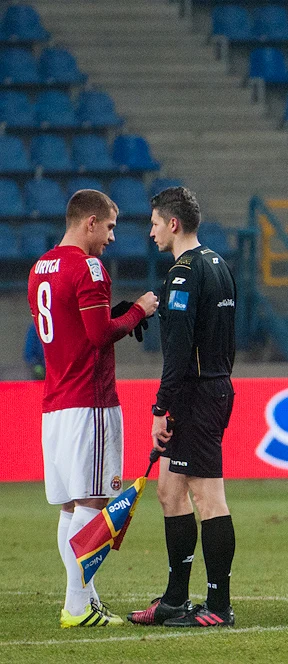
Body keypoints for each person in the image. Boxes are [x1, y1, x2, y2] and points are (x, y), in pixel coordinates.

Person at [27, 189, 158, 628]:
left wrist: (111, 314)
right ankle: (77, 605)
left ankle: (86, 600)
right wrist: (138, 311)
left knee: (70, 507)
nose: (112, 237)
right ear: (90, 222)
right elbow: (100, 335)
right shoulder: (88, 266)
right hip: (91, 402)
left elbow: (75, 327)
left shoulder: (39, 268)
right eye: (110, 227)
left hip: (55, 402)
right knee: (93, 504)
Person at [128, 186, 238, 628]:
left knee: (207, 497)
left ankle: (218, 605)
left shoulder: (183, 274)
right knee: (170, 492)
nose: (150, 231)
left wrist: (161, 407)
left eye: (154, 222)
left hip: (197, 394)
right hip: (213, 387)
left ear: (173, 223)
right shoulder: (219, 264)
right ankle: (175, 599)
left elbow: (178, 351)